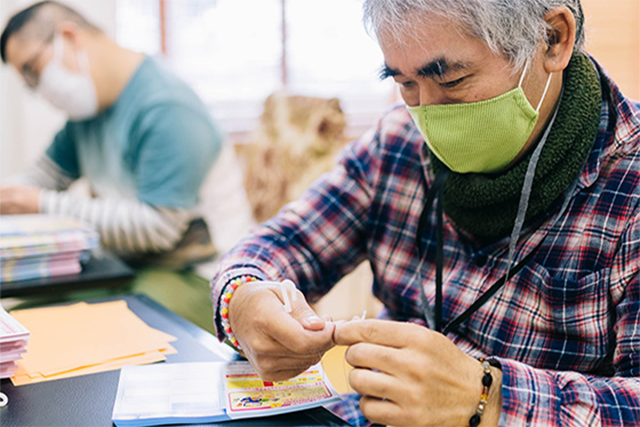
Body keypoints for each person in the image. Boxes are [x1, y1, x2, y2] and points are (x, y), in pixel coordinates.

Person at [210, 0, 640, 426]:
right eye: (406, 83)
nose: (427, 113)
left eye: (451, 79)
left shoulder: (629, 182)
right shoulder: (397, 141)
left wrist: (488, 397)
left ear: (552, 39)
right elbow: (282, 243)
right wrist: (245, 297)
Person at [0, 1, 237, 266]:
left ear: (69, 36)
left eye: (32, 71)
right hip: (134, 262)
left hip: (200, 271)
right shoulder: (89, 112)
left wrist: (41, 205)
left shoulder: (168, 106)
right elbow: (42, 178)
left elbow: (158, 228)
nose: (37, 88)